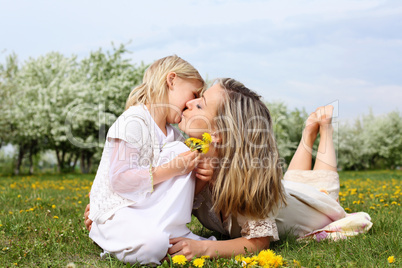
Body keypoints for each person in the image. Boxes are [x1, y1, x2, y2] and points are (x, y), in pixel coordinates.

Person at [85, 78, 372, 261]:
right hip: (288, 190)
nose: (189, 102)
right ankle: (308, 136)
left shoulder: (248, 184)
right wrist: (110, 211)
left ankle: (324, 130)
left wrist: (206, 248)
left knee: (322, 190)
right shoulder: (184, 157)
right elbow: (147, 188)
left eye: (201, 104)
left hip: (307, 210)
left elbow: (259, 242)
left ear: (219, 133)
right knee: (296, 180)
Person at [87, 55, 213, 265]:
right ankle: (105, 234)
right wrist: (173, 168)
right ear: (171, 80)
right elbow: (120, 180)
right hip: (121, 211)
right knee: (154, 244)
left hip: (151, 215)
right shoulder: (133, 121)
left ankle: (164, 238)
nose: (192, 103)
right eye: (193, 93)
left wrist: (201, 178)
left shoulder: (175, 137)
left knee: (166, 243)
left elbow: (178, 193)